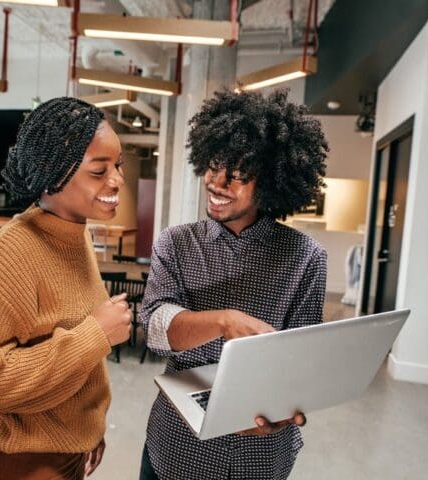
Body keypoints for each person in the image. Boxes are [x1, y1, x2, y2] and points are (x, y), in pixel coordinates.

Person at [139, 90, 329, 480]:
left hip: (260, 457)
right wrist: (223, 321)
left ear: (273, 182)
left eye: (240, 175)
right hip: (178, 445)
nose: (219, 182)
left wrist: (284, 411)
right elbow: (155, 328)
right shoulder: (175, 243)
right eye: (215, 165)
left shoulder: (306, 256)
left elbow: (303, 360)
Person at [0, 97, 133, 480]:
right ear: (52, 173)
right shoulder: (9, 255)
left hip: (62, 452)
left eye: (118, 165)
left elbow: (72, 362)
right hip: (12, 463)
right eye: (99, 170)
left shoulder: (74, 237)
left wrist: (85, 430)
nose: (117, 180)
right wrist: (93, 335)